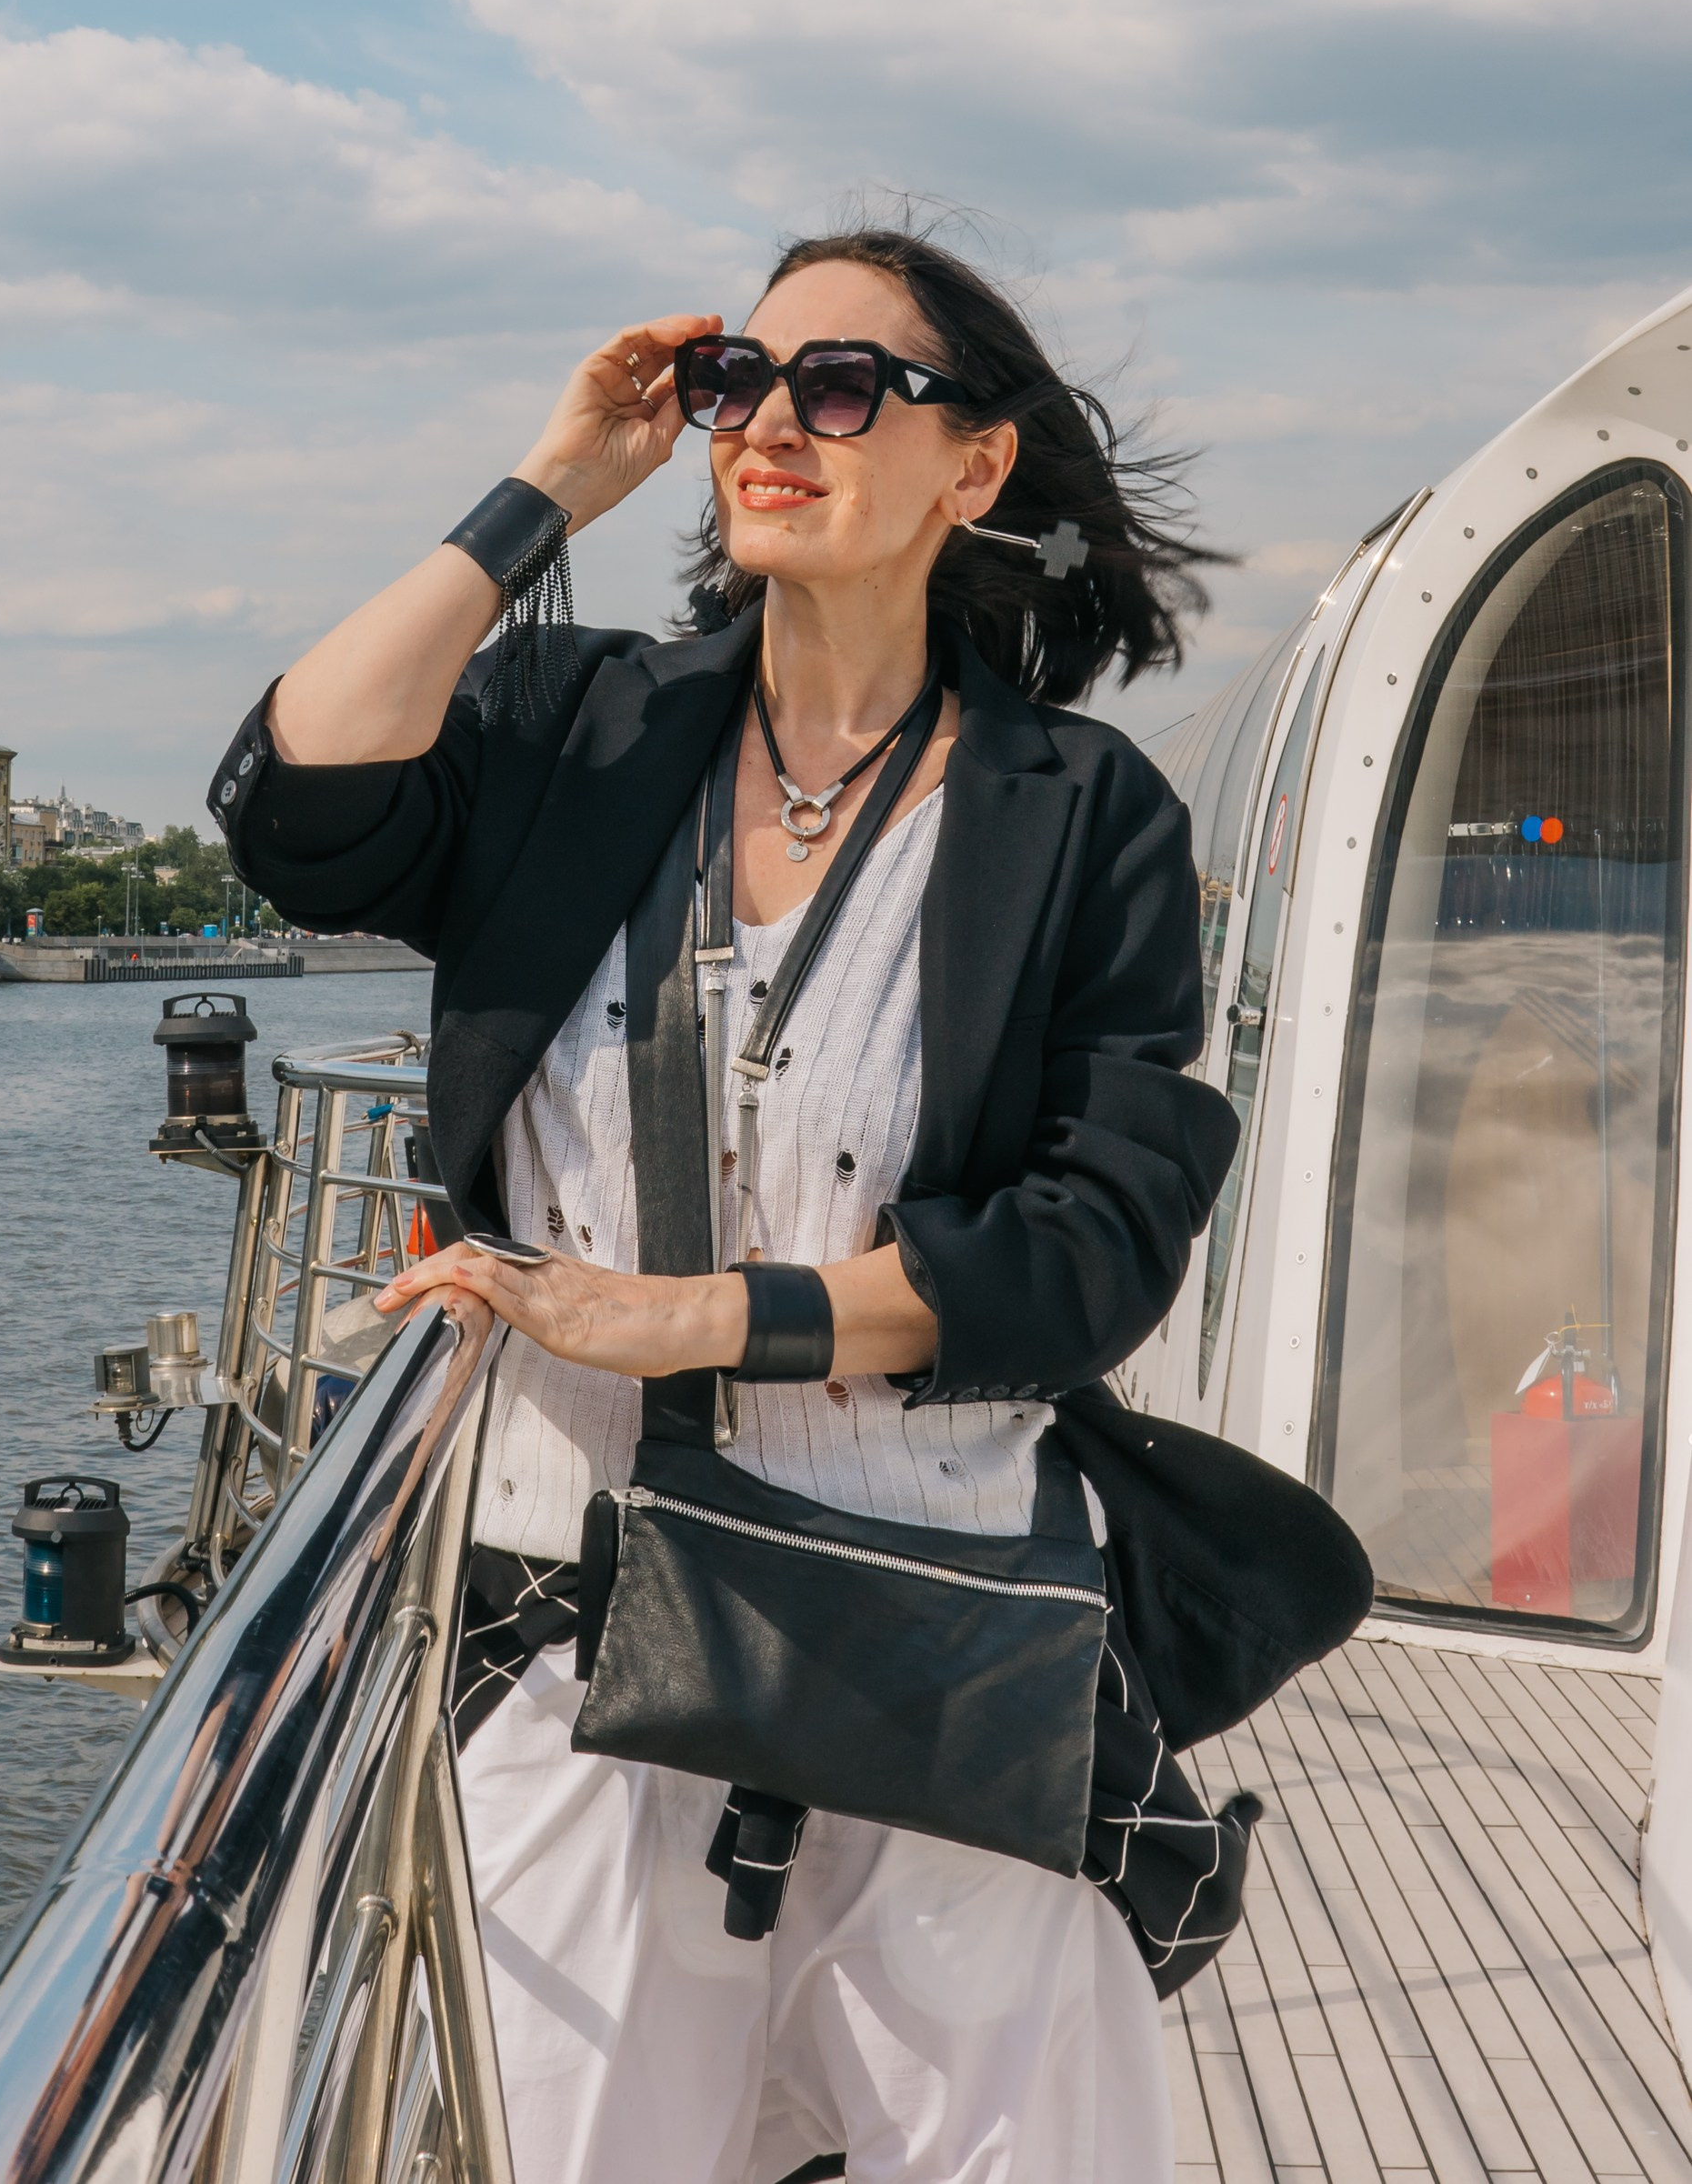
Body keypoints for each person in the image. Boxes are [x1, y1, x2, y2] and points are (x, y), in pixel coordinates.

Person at [209, 225, 1258, 2184]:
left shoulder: (1078, 806)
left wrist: (707, 1315)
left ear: (977, 467)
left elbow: (1100, 1235)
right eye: (744, 380)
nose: (777, 416)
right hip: (586, 1646)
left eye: (848, 384)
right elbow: (298, 800)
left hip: (933, 1644)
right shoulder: (581, 731)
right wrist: (553, 485)